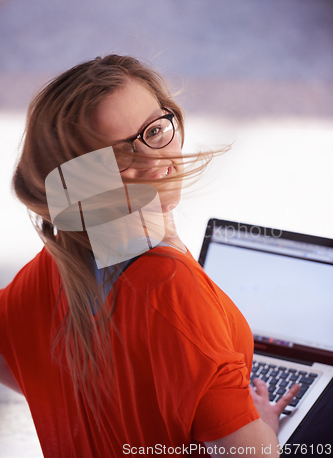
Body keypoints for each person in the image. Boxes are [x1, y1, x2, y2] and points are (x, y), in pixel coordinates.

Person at [0, 55, 299, 457]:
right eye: (115, 156)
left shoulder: (53, 266)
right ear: (80, 178)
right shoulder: (177, 297)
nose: (154, 160)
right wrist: (260, 427)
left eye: (155, 130)